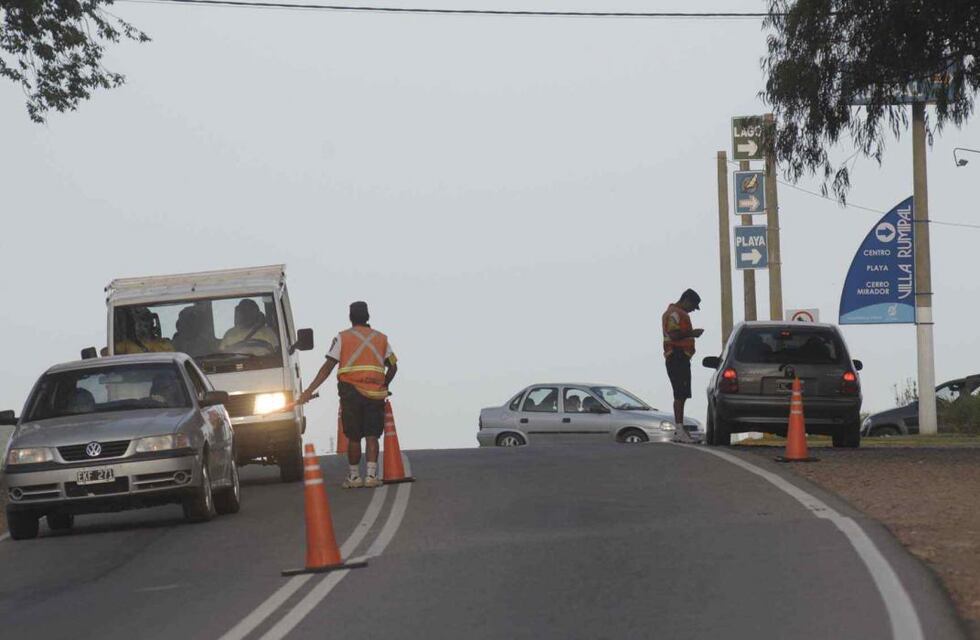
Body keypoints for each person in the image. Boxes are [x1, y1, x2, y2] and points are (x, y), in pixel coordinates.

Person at [297, 301, 398, 489]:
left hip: (351, 392)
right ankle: (370, 475)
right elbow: (393, 366)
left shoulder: (342, 338)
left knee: (353, 436)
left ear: (350, 317)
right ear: (368, 316)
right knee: (372, 435)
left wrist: (309, 391)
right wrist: (384, 384)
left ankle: (353, 477)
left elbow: (327, 367)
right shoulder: (381, 339)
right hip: (375, 393)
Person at [663, 289, 704, 443]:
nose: (693, 310)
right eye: (693, 306)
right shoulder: (675, 313)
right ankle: (679, 430)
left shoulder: (676, 313)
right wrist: (692, 333)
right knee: (680, 394)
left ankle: (680, 430)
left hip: (679, 356)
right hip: (677, 355)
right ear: (686, 300)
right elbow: (673, 334)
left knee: (682, 393)